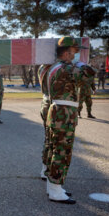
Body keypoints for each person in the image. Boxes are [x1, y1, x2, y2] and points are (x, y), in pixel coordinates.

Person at [45, 36, 96, 204]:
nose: (76, 55)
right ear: (66, 52)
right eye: (74, 52)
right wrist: (83, 64)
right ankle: (55, 191)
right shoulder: (67, 68)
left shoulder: (54, 67)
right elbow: (89, 74)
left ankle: (53, 187)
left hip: (58, 112)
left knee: (55, 150)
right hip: (64, 114)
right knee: (62, 152)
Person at [37, 64, 51, 180]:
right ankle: (46, 170)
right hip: (52, 105)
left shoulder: (44, 66)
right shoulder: (52, 67)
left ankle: (45, 169)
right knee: (51, 140)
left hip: (47, 103)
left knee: (49, 139)